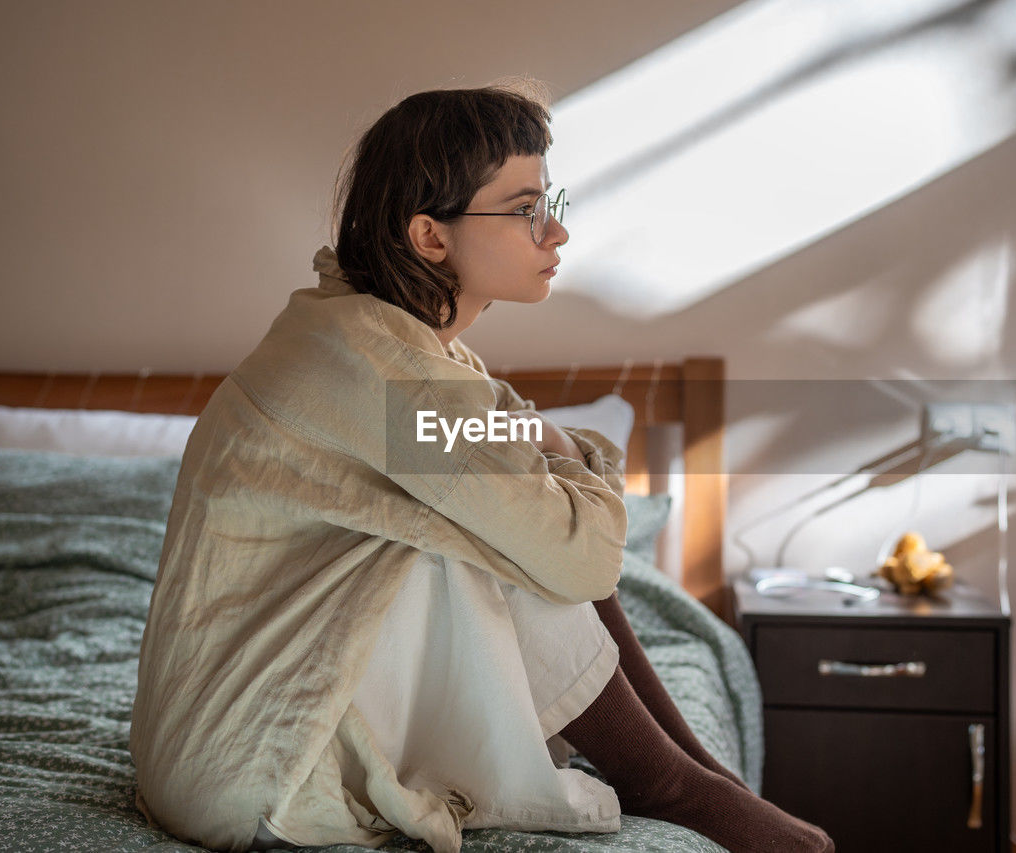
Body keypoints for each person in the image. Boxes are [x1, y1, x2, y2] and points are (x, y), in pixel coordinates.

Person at [129, 81, 833, 853]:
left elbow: (556, 532)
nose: (556, 232)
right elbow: (586, 557)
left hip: (222, 748)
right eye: (525, 208)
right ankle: (672, 783)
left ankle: (691, 775)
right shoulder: (391, 377)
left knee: (505, 524)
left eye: (550, 200)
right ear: (431, 238)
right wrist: (564, 453)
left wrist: (552, 453)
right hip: (252, 770)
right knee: (494, 545)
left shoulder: (380, 342)